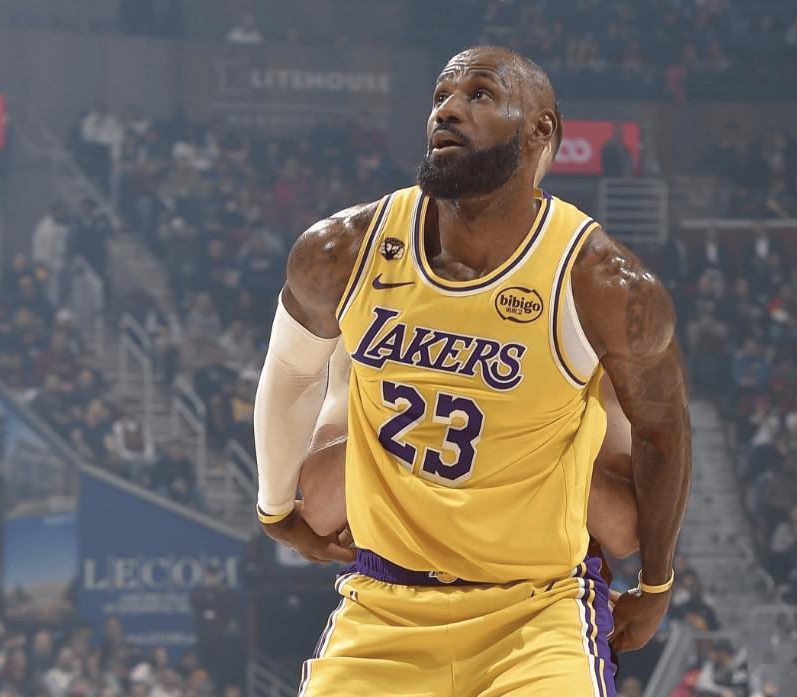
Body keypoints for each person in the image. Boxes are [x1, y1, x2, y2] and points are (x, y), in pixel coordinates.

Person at [254, 46, 692, 695]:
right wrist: (272, 505)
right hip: (384, 603)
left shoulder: (603, 283)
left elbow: (663, 431)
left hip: (536, 609)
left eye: (479, 94)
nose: (448, 110)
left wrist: (655, 585)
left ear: (540, 129)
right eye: (440, 97)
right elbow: (290, 371)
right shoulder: (341, 249)